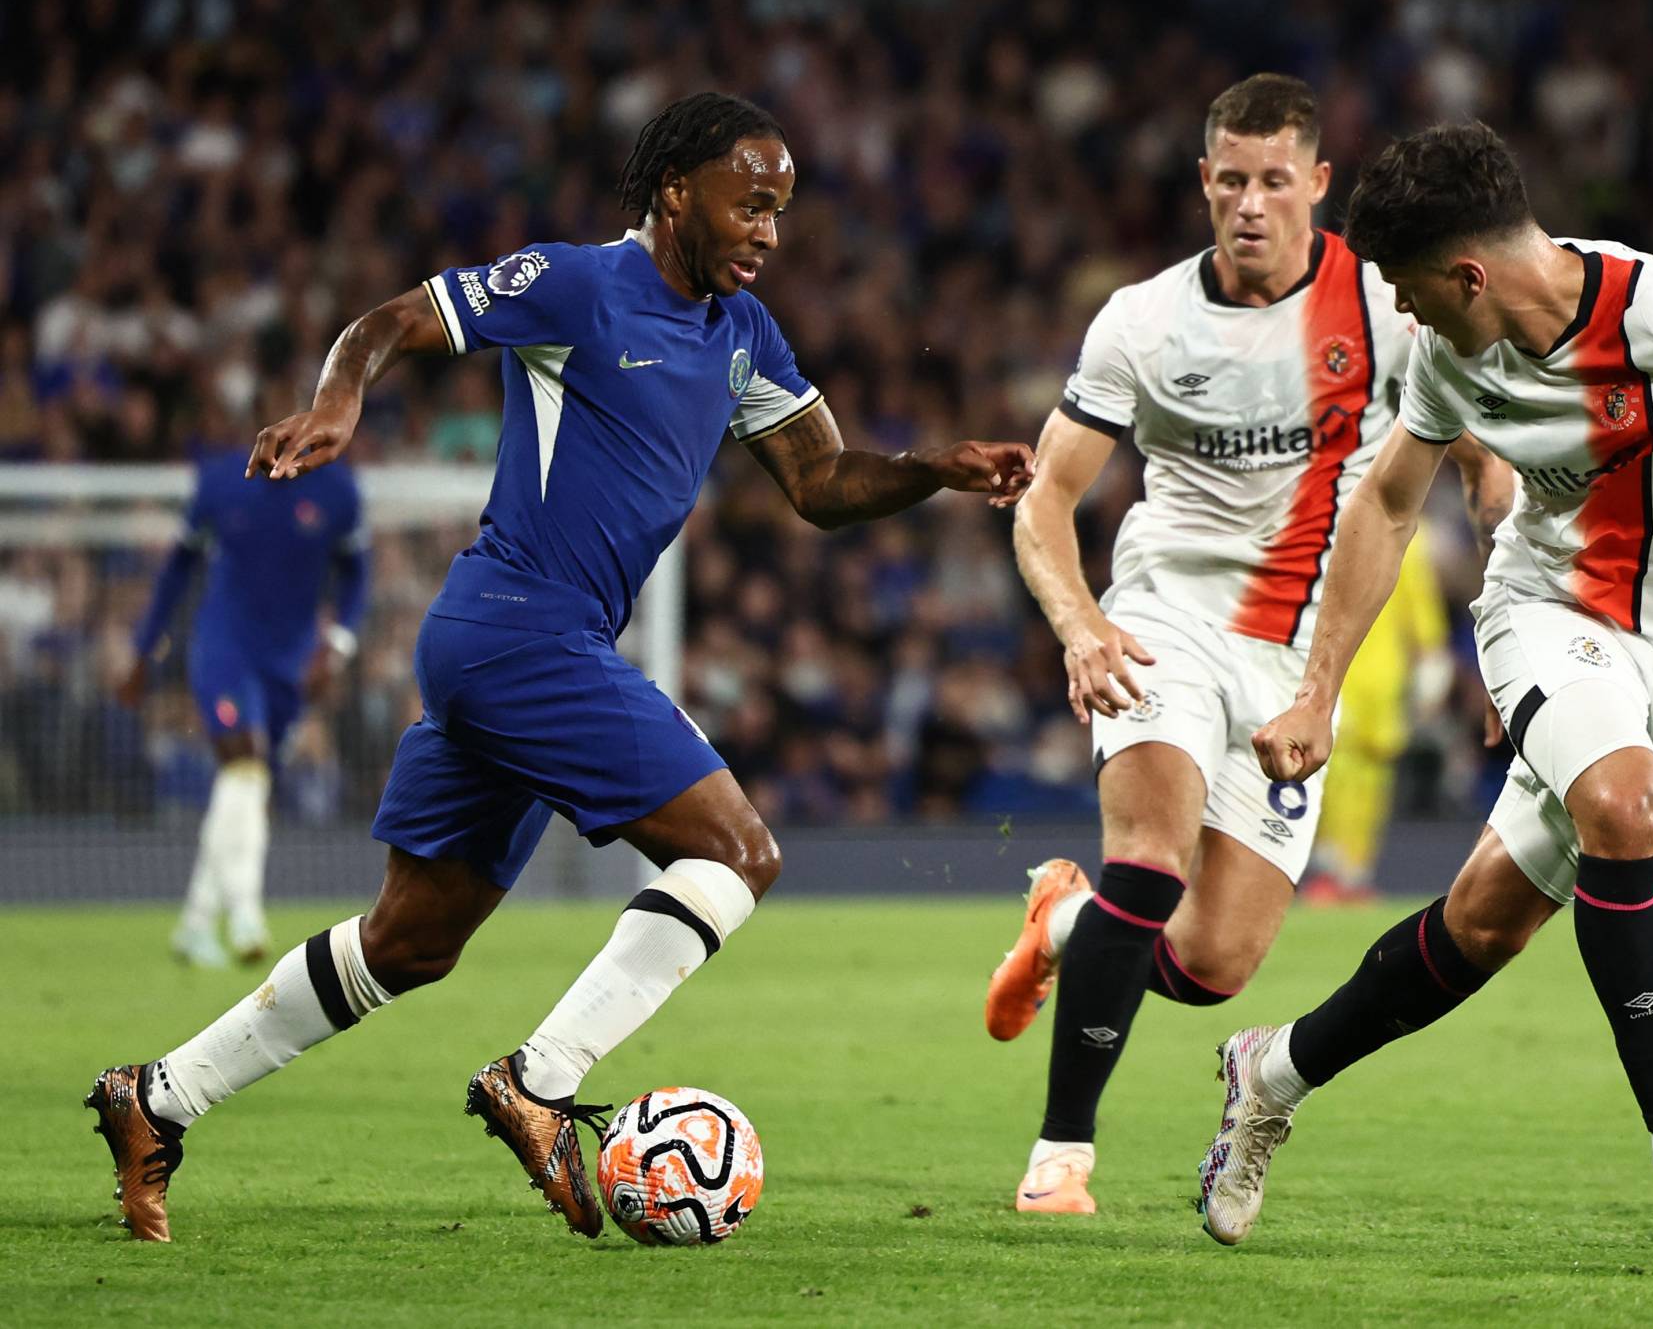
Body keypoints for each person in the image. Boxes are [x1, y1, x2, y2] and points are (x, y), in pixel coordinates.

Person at [86, 92, 1034, 1243]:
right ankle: (538, 1078)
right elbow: (392, 320)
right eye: (750, 204)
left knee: (408, 942)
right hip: (518, 629)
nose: (769, 233)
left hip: (522, 646)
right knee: (739, 853)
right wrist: (338, 399)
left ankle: (159, 1095)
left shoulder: (741, 332)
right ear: (677, 190)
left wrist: (932, 469)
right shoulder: (577, 285)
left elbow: (821, 482)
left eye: (780, 211)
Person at [1196, 121, 1653, 1251]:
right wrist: (1316, 691)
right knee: (1622, 806)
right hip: (1547, 612)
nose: (1404, 312)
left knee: (1482, 926)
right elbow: (1388, 503)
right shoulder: (1450, 355)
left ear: (1468, 275)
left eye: (1410, 287)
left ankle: (1270, 1071)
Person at [984, 75, 1513, 1215]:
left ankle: (1065, 921)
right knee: (1149, 858)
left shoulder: (1386, 307)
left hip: (1291, 662)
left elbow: (1485, 465)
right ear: (1204, 183)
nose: (1251, 204)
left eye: (1275, 180)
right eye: (1231, 180)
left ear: (1316, 183)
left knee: (1213, 963)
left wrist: (1506, 611)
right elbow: (1044, 500)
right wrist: (1080, 625)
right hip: (1163, 617)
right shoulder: (1141, 321)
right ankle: (1060, 1155)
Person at [120, 449, 368, 967]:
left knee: (248, 789)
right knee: (244, 763)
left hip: (290, 664)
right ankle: (246, 915)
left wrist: (338, 646)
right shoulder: (220, 481)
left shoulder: (338, 492)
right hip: (224, 649)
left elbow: (356, 574)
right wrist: (143, 651)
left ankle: (194, 923)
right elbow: (177, 568)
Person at [1297, 520, 1451, 906]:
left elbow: (1422, 615)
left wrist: (1431, 663)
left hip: (1364, 679)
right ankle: (1334, 869)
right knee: (1342, 772)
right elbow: (1425, 620)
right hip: (1352, 678)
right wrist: (1431, 661)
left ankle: (1351, 871)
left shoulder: (1349, 530)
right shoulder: (1407, 537)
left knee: (1367, 777)